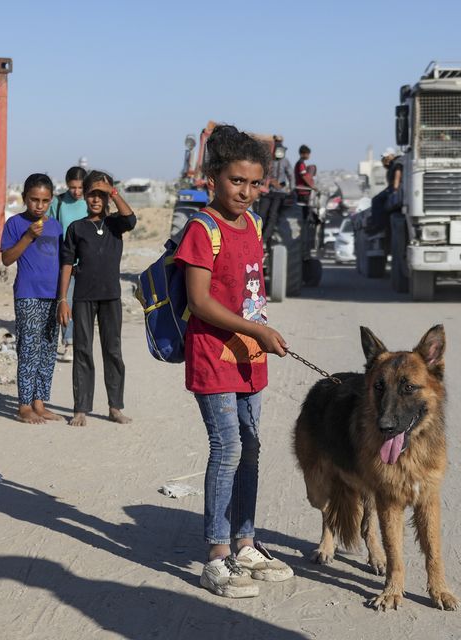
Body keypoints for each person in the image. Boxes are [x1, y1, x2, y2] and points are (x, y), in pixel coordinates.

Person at [174, 124, 293, 598]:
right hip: (213, 358)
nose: (246, 192)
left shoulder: (255, 225)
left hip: (249, 360)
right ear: (213, 178)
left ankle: (246, 541)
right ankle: (217, 556)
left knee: (252, 448)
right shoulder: (202, 229)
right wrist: (258, 330)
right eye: (236, 181)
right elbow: (200, 302)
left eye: (254, 182)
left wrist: (259, 334)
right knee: (228, 448)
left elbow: (250, 292)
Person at [57, 171, 136, 427]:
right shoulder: (76, 228)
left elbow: (131, 219)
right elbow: (67, 264)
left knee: (113, 351)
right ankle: (81, 408)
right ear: (86, 196)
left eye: (100, 195)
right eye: (91, 194)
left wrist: (113, 191)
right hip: (83, 297)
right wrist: (62, 299)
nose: (95, 199)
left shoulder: (115, 224)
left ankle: (115, 407)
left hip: (111, 297)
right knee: (82, 350)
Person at [0, 174, 63, 424]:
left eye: (45, 201)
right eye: (34, 199)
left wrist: (63, 297)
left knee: (48, 349)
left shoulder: (56, 226)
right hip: (28, 294)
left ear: (51, 201)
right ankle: (24, 405)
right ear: (25, 197)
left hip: (53, 296)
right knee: (28, 348)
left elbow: (63, 261)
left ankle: (40, 403)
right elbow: (7, 259)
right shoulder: (15, 224)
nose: (39, 205)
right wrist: (27, 237)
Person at [48, 166, 88, 362]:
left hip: (89, 262)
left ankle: (84, 342)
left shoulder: (91, 201)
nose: (76, 192)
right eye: (73, 187)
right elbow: (51, 228)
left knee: (85, 305)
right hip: (67, 262)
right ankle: (69, 344)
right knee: (67, 301)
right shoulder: (59, 202)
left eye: (80, 187)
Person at [259, 137, 292, 241]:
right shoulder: (267, 161)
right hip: (267, 192)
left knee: (273, 215)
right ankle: (257, 237)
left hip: (279, 193)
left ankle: (264, 239)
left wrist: (291, 189)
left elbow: (291, 175)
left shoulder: (285, 162)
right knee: (262, 215)